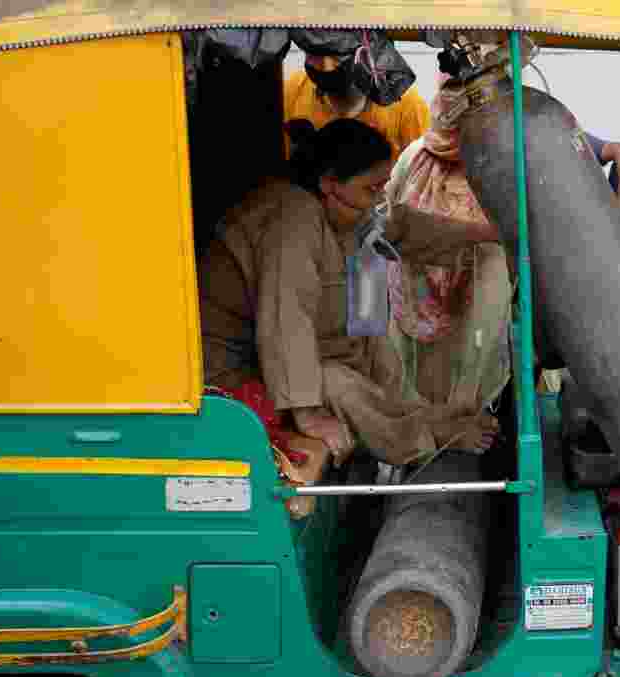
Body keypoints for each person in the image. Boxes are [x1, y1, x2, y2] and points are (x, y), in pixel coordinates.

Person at [198, 119, 500, 467]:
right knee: (335, 381)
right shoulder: (291, 217)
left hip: (272, 356)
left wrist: (485, 233)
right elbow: (287, 316)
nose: (379, 201)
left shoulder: (346, 208)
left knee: (371, 341)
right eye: (372, 190)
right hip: (228, 373)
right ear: (328, 184)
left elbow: (403, 226)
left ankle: (424, 416)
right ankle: (426, 438)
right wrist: (309, 414)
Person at [382, 75, 513, 413]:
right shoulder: (414, 157)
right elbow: (385, 219)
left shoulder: (501, 165)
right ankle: (421, 426)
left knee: (469, 374)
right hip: (413, 295)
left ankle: (463, 413)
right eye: (446, 95)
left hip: (475, 300)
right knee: (412, 388)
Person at [284, 52, 430, 164]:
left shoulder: (408, 106)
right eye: (315, 53)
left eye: (338, 53)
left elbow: (419, 187)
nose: (327, 66)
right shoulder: (292, 91)